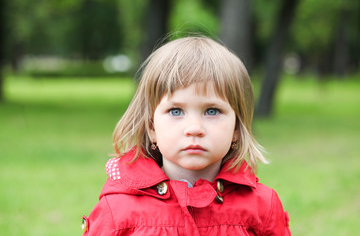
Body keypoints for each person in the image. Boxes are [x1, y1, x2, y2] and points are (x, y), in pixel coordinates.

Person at [82, 36, 291, 235]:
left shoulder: (262, 206)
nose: (194, 128)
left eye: (212, 111)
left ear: (236, 128)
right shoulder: (118, 209)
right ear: (151, 127)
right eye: (176, 111)